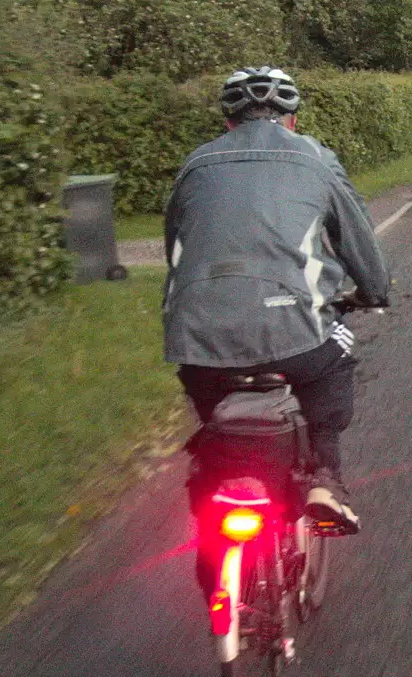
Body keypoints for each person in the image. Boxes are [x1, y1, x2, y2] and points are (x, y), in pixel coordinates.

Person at [163, 66, 390, 535]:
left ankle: (214, 485)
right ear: (291, 119)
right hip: (295, 334)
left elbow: (176, 253)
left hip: (194, 337)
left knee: (214, 416)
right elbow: (357, 239)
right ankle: (325, 480)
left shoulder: (195, 165)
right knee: (333, 362)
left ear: (229, 121)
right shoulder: (315, 159)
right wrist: (374, 291)